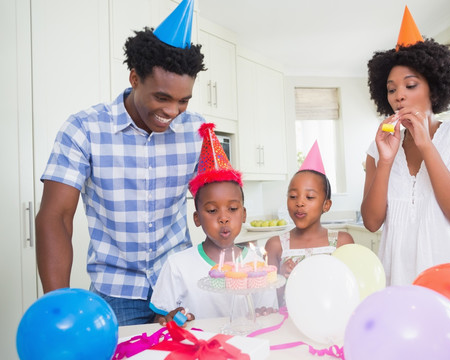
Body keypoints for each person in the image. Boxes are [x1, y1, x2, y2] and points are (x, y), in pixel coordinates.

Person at [34, 0, 207, 325]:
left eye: (183, 100)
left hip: (180, 286)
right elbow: (55, 217)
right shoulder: (84, 129)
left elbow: (219, 200)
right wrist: (57, 308)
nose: (172, 112)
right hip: (115, 295)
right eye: (162, 97)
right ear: (134, 78)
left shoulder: (197, 131)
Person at [360, 6, 450, 285]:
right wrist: (384, 161)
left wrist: (427, 145)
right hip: (399, 284)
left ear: (434, 86)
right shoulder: (378, 148)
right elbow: (371, 223)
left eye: (410, 85)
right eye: (392, 89)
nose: (399, 97)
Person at [151, 123, 277, 324]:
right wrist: (170, 318)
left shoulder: (257, 267)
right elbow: (161, 319)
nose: (224, 218)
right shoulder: (178, 266)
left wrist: (265, 313)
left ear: (244, 214)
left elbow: (268, 314)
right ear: (197, 218)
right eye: (212, 210)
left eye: (233, 209)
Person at [265, 141, 354, 304]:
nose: (299, 203)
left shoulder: (342, 242)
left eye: (310, 197)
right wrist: (280, 280)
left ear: (326, 205)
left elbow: (350, 291)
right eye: (293, 196)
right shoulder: (275, 245)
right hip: (286, 325)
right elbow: (268, 301)